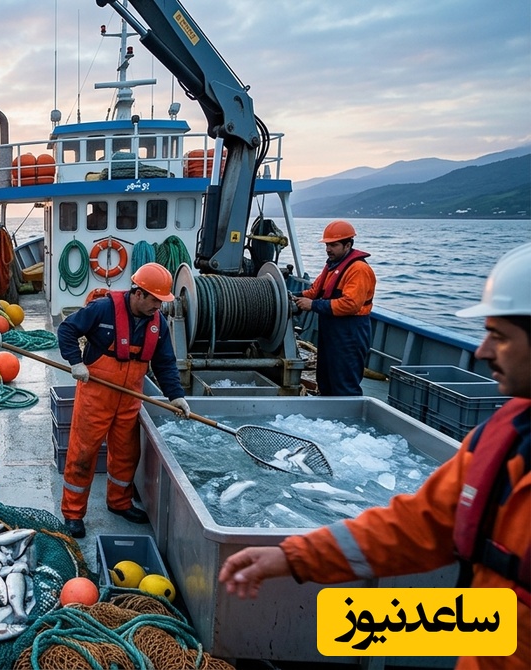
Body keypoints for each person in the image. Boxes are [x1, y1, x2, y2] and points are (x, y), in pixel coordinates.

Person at [218, 242, 531, 669]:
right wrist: (292, 557)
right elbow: (417, 525)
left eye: (499, 336)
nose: (482, 352)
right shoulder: (503, 436)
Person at [56, 262, 190, 538]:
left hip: (130, 399)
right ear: (138, 293)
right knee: (83, 454)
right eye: (155, 300)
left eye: (162, 301)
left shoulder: (158, 323)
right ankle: (73, 513)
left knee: (127, 454)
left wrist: (176, 397)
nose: (159, 306)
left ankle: (118, 502)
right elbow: (67, 330)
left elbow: (164, 363)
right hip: (96, 395)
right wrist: (75, 362)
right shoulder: (102, 309)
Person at [292, 219, 377, 396]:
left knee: (344, 383)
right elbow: (316, 290)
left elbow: (351, 305)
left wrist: (313, 305)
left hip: (350, 333)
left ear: (348, 245)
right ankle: (327, 418)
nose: (328, 249)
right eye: (327, 245)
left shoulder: (358, 269)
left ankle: (347, 420)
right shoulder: (332, 265)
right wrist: (295, 296)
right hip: (331, 331)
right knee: (326, 378)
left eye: (334, 245)